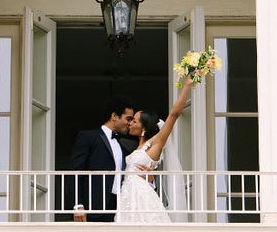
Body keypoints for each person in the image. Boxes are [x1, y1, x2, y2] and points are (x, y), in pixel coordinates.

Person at [115, 79, 194, 224]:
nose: (130, 123)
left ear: (144, 127)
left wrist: (187, 85)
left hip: (142, 197)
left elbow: (174, 115)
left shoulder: (155, 144)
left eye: (135, 121)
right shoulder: (135, 148)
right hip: (128, 195)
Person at [68, 98, 134, 222]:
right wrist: (77, 205)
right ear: (114, 116)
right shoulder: (88, 137)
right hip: (93, 206)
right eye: (128, 118)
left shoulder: (124, 146)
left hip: (119, 206)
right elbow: (75, 173)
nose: (130, 123)